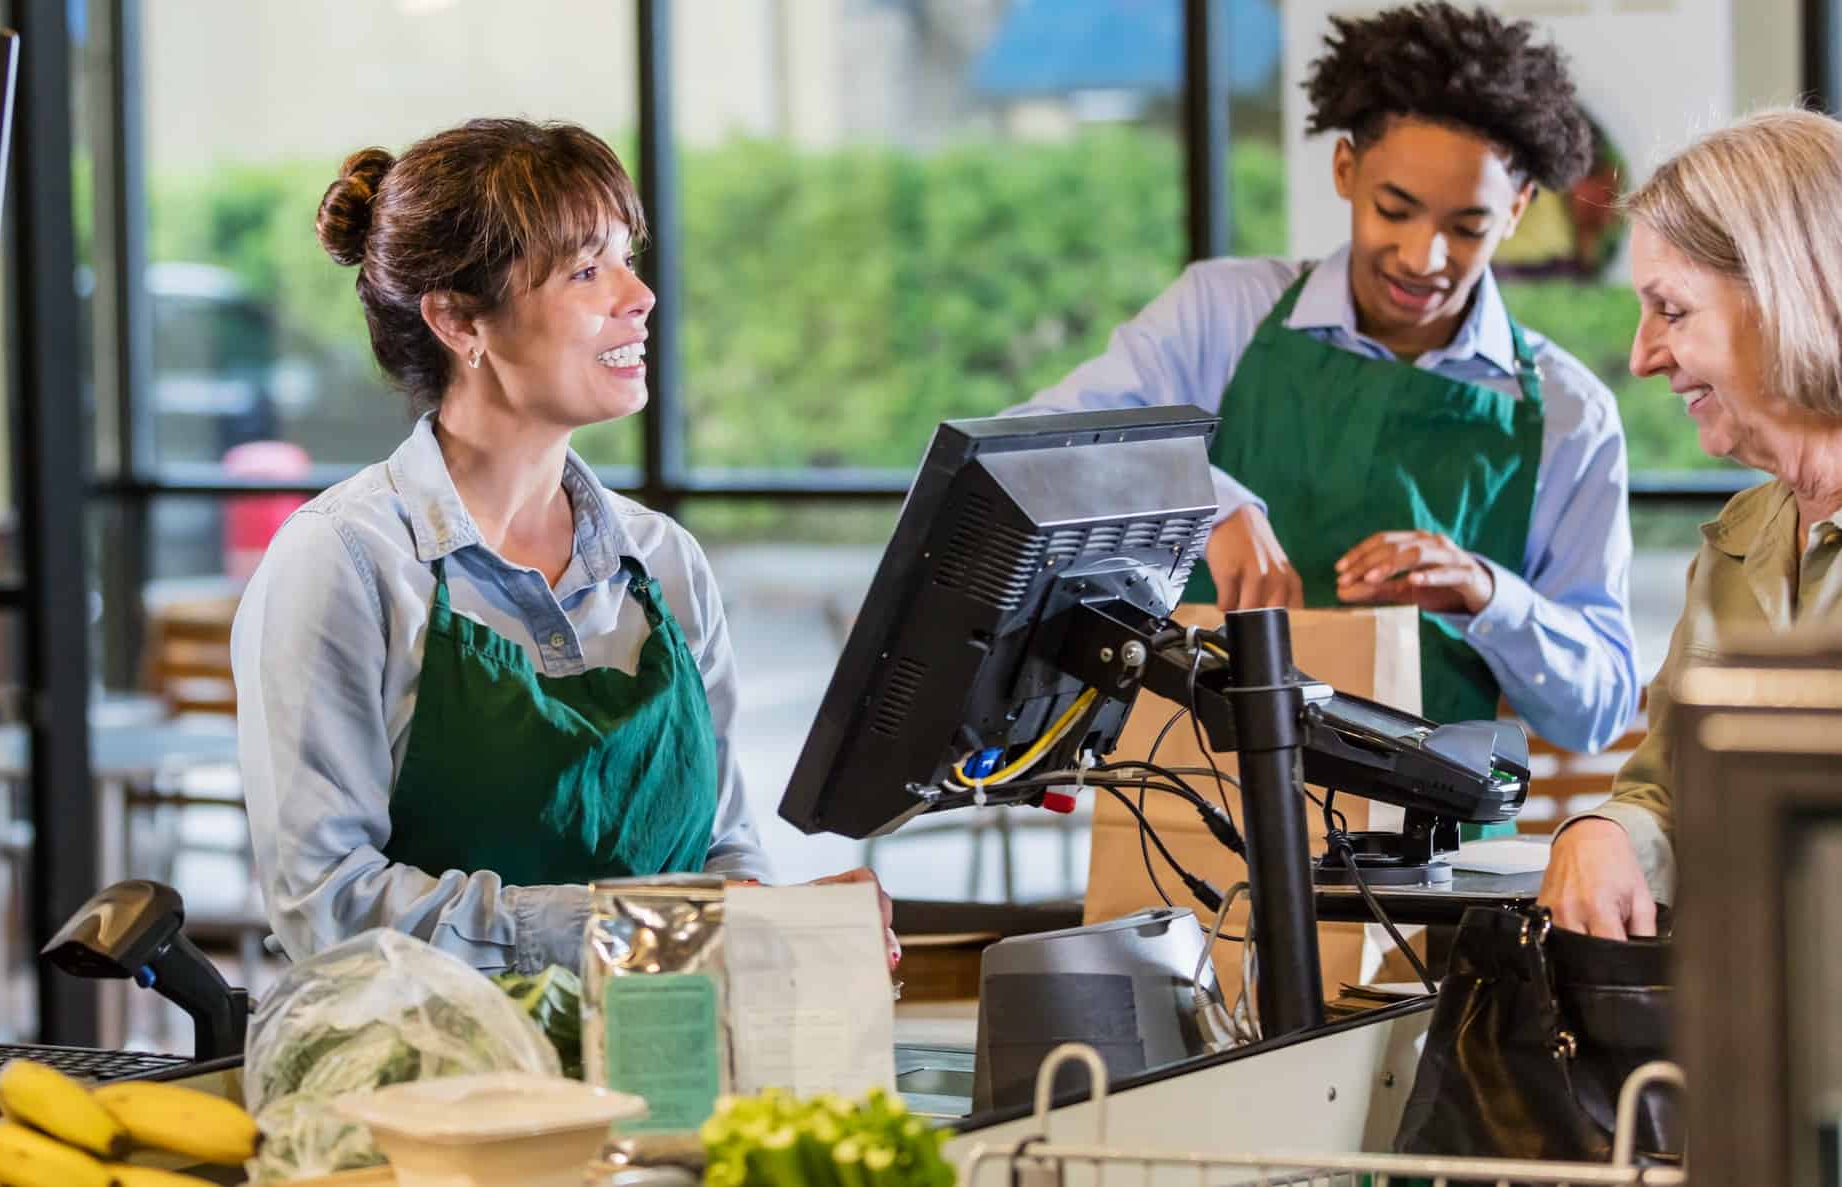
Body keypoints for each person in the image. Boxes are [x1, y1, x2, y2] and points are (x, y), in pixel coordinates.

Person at [231, 119, 891, 973]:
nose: (639, 295)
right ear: (459, 320)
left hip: (669, 1075)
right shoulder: (346, 563)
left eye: (628, 257)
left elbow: (726, 854)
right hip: (426, 1085)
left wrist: (781, 929)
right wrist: (640, 928)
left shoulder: (665, 563)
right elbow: (330, 905)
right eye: (587, 270)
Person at [1010, 1, 1640, 765]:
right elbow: (1027, 457)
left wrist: (1487, 594)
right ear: (1346, 169)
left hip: (1435, 866)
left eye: (1467, 227)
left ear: (1518, 208)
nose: (1423, 257)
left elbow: (1599, 709)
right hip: (1190, 819)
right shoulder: (1222, 314)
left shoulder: (1573, 416)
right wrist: (1202, 500)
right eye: (1394, 209)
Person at [1540, 108, 1842, 939]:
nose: (1640, 357)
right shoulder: (1738, 541)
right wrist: (1605, 832)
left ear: (1792, 296)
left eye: (1671, 312)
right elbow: (1669, 791)